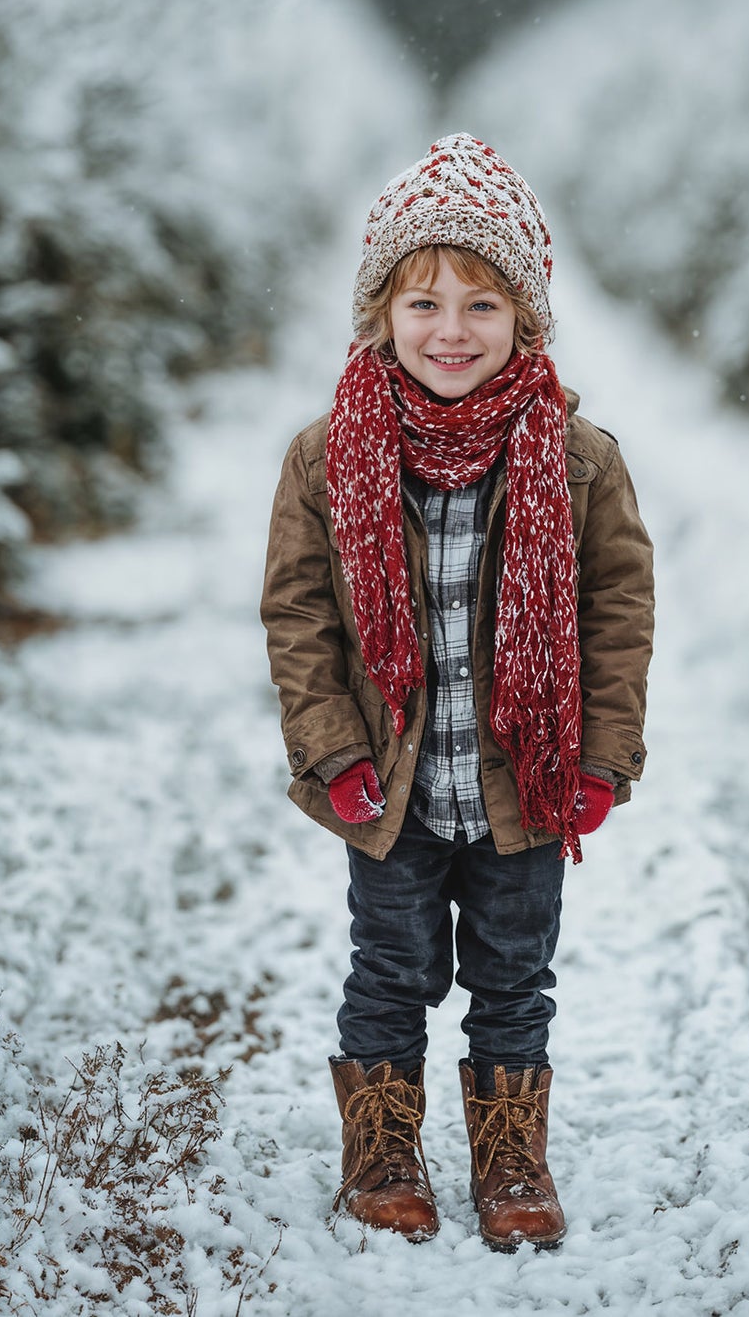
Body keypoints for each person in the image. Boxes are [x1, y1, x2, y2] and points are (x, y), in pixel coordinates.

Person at [260, 132, 655, 1251]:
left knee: (513, 977)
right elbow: (299, 617)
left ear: (525, 323)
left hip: (522, 784)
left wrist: (599, 758)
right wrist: (330, 750)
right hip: (384, 789)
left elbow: (617, 615)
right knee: (387, 971)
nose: (449, 330)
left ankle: (510, 1155)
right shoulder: (325, 455)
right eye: (422, 301)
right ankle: (382, 1149)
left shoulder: (574, 459)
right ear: (379, 315)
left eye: (481, 305)